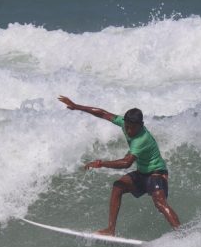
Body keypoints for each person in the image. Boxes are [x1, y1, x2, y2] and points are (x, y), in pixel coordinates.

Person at [58, 95, 180, 236]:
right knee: (118, 187)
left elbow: (126, 163)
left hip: (156, 173)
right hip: (142, 173)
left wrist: (101, 163)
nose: (128, 131)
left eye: (132, 128)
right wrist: (76, 106)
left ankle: (182, 235)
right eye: (127, 127)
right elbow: (103, 113)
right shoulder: (124, 123)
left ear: (141, 125)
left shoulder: (141, 139)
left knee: (160, 204)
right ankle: (110, 230)